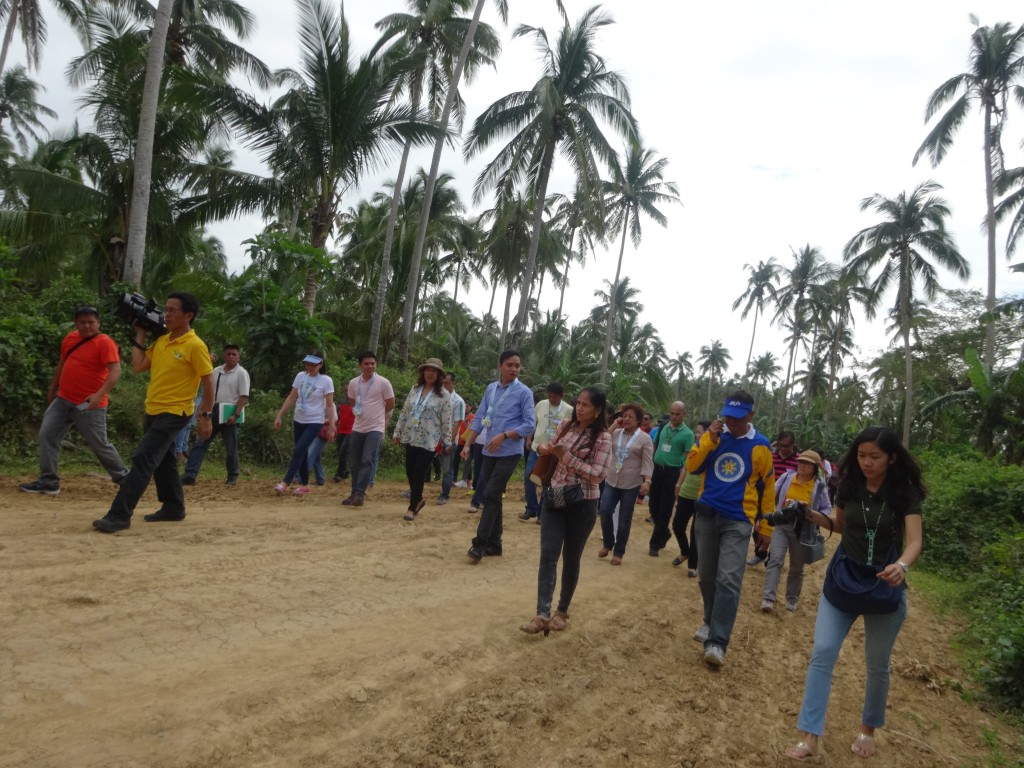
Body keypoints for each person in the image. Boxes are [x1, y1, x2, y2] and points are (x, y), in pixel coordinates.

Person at [785, 426, 924, 762]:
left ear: (891, 457)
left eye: (874, 456)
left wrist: (902, 566)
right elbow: (841, 525)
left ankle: (867, 729)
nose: (866, 462)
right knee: (823, 652)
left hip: (884, 583)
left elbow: (915, 540)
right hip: (844, 579)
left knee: (877, 664)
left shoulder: (903, 494)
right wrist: (813, 516)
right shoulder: (847, 486)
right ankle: (809, 736)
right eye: (861, 456)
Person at [92, 292, 214, 533]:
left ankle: (119, 515)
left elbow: (208, 381)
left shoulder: (195, 345)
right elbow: (138, 366)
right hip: (154, 409)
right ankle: (173, 507)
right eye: (166, 309)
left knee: (143, 459)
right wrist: (141, 333)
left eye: (172, 310)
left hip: (175, 412)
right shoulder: (162, 341)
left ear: (188, 315)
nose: (166, 314)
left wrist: (205, 416)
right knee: (164, 461)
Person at [687, 390, 774, 666]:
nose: (731, 423)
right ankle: (710, 621)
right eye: (727, 417)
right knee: (706, 576)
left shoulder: (760, 446)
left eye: (737, 418)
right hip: (706, 516)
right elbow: (692, 466)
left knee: (728, 579)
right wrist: (708, 441)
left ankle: (718, 641)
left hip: (738, 520)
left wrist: (766, 529)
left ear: (751, 415)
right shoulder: (712, 437)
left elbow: (768, 491)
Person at [520, 387, 611, 635]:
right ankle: (541, 613)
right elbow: (545, 446)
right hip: (555, 495)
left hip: (583, 503)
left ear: (598, 410)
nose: (579, 408)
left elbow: (598, 475)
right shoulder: (565, 426)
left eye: (586, 405)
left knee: (571, 557)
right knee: (548, 553)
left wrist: (567, 457)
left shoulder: (603, 438)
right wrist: (543, 450)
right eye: (578, 403)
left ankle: (561, 611)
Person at [20, 305, 129, 496]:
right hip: (63, 399)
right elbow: (62, 364)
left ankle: (125, 479)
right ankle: (49, 481)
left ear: (98, 323)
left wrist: (98, 395)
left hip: (89, 405)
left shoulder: (105, 343)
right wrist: (52, 388)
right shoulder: (71, 338)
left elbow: (115, 371)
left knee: (99, 444)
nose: (87, 326)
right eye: (82, 322)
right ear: (76, 323)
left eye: (91, 322)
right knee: (47, 435)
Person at [462, 350, 536, 562]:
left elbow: (529, 424)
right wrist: (467, 444)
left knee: (491, 492)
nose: (514, 369)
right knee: (492, 496)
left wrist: (504, 436)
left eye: (517, 366)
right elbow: (479, 419)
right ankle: (495, 544)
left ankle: (479, 544)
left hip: (509, 452)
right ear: (500, 366)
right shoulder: (490, 389)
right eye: (510, 365)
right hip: (488, 450)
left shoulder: (524, 392)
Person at [761, 449, 832, 613]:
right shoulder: (787, 477)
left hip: (803, 530)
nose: (803, 466)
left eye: (807, 463)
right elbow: (771, 494)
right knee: (775, 560)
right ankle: (768, 598)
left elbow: (826, 507)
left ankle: (791, 599)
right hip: (782, 525)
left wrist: (813, 515)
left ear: (815, 467)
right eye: (801, 462)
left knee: (796, 567)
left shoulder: (819, 486)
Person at [392, 358, 453, 520]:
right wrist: (397, 432)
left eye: (434, 371)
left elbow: (447, 420)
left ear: (439, 374)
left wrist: (447, 441)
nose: (430, 373)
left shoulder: (444, 395)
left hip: (429, 441)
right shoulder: (415, 389)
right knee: (410, 472)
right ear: (423, 372)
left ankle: (412, 507)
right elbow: (405, 412)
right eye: (427, 370)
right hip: (411, 436)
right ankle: (418, 499)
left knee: (419, 473)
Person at [181, 344, 250, 486]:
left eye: (234, 354)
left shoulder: (241, 373)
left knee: (231, 446)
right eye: (228, 354)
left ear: (238, 357)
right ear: (224, 355)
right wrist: (201, 411)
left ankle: (232, 475)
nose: (231, 357)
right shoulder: (216, 371)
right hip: (212, 409)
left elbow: (243, 396)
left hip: (229, 411)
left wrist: (235, 415)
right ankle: (190, 474)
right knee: (200, 441)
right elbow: (207, 392)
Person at [597, 402, 653, 564]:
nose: (627, 419)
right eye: (624, 416)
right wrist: (614, 424)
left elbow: (647, 462)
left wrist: (647, 481)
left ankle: (619, 552)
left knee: (624, 518)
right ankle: (608, 543)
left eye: (631, 417)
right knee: (605, 511)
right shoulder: (616, 433)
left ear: (639, 420)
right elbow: (602, 439)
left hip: (631, 483)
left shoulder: (645, 439)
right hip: (612, 479)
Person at [273, 354, 335, 495]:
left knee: (299, 450)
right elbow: (292, 396)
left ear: (320, 365)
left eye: (313, 365)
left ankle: (285, 482)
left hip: (315, 420)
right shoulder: (301, 376)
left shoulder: (326, 380)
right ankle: (305, 485)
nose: (309, 367)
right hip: (299, 419)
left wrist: (332, 425)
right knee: (302, 452)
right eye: (307, 364)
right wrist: (279, 415)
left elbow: (330, 406)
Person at [343, 352, 395, 507]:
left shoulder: (383, 383)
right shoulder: (353, 383)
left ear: (376, 365)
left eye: (372, 363)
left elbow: (390, 403)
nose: (370, 366)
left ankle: (360, 493)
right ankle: (354, 493)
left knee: (367, 459)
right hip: (358, 427)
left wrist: (380, 416)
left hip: (375, 427)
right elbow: (352, 401)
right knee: (354, 462)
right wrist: (359, 410)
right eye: (366, 364)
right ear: (360, 365)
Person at [520, 382, 574, 522]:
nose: (551, 399)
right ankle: (531, 508)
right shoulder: (541, 405)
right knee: (529, 476)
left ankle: (541, 513)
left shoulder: (568, 410)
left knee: (547, 481)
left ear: (561, 396)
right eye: (549, 396)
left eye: (554, 397)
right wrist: (528, 439)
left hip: (553, 452)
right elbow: (532, 423)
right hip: (536, 447)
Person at [648, 402, 695, 557]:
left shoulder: (688, 434)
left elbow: (688, 461)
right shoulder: (663, 427)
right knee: (653, 506)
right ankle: (665, 533)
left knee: (665, 509)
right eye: (672, 413)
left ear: (684, 414)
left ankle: (655, 544)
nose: (674, 417)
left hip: (672, 472)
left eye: (677, 414)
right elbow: (655, 446)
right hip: (657, 469)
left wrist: (679, 482)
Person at [749, 430, 801, 566]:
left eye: (787, 446)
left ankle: (771, 558)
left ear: (793, 444)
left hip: (784, 502)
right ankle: (760, 553)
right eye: (780, 445)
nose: (783, 449)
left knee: (778, 530)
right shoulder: (770, 456)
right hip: (765, 497)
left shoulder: (798, 461)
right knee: (758, 526)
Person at [671, 420, 711, 577]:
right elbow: (686, 467)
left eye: (700, 432)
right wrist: (678, 485)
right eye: (697, 431)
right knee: (677, 525)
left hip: (702, 496)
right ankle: (685, 551)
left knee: (696, 530)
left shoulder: (712, 451)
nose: (697, 434)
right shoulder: (695, 448)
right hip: (686, 492)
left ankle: (693, 565)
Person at [437, 372, 465, 505]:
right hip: (433, 439)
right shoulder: (437, 396)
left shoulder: (458, 401)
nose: (444, 385)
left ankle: (444, 495)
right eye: (442, 383)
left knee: (447, 469)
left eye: (447, 383)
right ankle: (413, 491)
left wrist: (448, 441)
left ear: (454, 383)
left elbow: (457, 423)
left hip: (448, 440)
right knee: (422, 465)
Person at [332, 395, 355, 482]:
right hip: (341, 430)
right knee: (340, 452)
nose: (347, 393)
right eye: (345, 391)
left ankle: (339, 473)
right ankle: (344, 471)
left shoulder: (356, 402)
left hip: (351, 430)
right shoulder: (341, 402)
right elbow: (338, 416)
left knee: (343, 451)